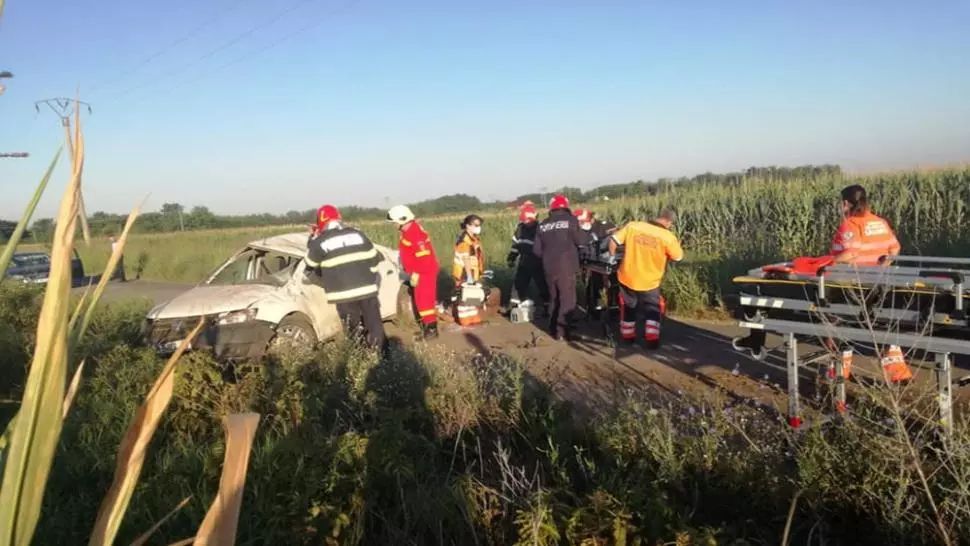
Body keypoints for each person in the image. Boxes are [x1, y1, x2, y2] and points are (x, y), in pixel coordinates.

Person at [304, 205, 386, 351]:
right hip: (367, 290)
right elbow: (374, 260)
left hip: (342, 294)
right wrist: (369, 278)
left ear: (320, 223)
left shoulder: (320, 241)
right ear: (339, 218)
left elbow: (309, 265)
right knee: (374, 325)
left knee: (353, 329)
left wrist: (313, 238)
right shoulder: (358, 234)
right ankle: (381, 356)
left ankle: (360, 359)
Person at [609, 208, 683, 349]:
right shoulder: (667, 236)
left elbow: (613, 241)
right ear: (668, 222)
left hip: (627, 276)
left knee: (628, 306)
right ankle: (651, 340)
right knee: (653, 308)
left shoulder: (633, 226)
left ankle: (628, 338)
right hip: (650, 280)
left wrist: (613, 258)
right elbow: (678, 257)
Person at [533, 194, 592, 340]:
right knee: (567, 300)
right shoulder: (571, 220)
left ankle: (553, 329)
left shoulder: (542, 225)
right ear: (566, 206)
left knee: (554, 298)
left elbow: (536, 251)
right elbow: (582, 241)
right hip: (566, 266)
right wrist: (586, 230)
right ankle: (562, 332)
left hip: (548, 267)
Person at [388, 204, 440, 339]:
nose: (394, 225)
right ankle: (428, 327)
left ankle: (431, 330)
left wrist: (417, 273)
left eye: (394, 222)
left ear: (401, 220)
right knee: (421, 300)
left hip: (424, 272)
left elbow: (425, 257)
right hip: (419, 272)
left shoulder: (415, 234)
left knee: (424, 301)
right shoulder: (409, 231)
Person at [830, 184, 901, 265]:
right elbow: (895, 248)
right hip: (879, 276)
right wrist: (882, 268)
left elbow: (850, 254)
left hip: (856, 275)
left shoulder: (850, 224)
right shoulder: (881, 222)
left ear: (845, 203)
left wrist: (828, 262)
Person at [507, 201, 549, 311]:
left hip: (538, 262)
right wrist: (511, 258)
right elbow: (516, 245)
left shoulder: (541, 229)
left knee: (543, 286)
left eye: (527, 220)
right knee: (518, 285)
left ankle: (548, 307)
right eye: (524, 220)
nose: (526, 222)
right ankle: (513, 307)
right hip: (524, 261)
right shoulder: (520, 229)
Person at [575, 208, 617, 318]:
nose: (580, 224)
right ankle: (594, 308)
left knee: (614, 284)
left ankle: (614, 306)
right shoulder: (579, 229)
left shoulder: (605, 226)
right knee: (593, 285)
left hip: (608, 262)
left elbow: (615, 239)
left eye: (582, 221)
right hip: (591, 263)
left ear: (591, 218)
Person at [453, 214, 485, 286]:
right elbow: (466, 258)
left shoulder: (474, 238)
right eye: (476, 225)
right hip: (464, 276)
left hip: (473, 274)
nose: (478, 227)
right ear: (468, 226)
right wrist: (469, 277)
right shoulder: (465, 240)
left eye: (479, 225)